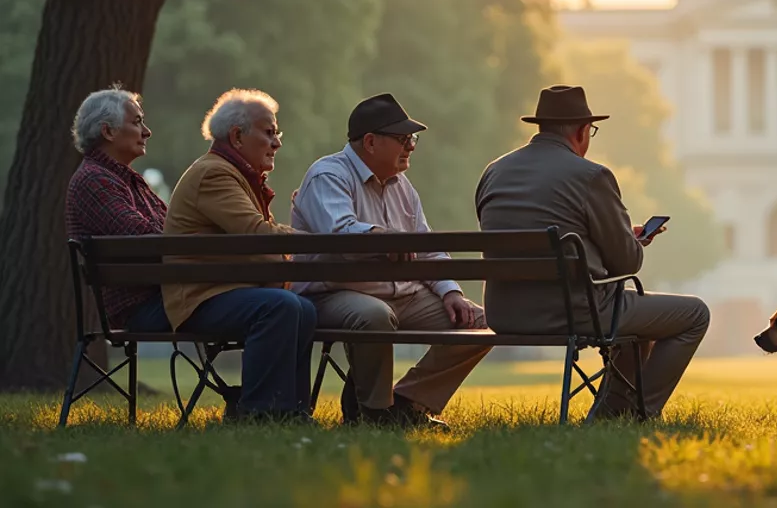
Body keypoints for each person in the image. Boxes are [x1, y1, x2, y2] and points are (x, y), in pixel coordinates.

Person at [475, 85, 709, 420]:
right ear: (583, 131)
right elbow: (628, 262)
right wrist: (633, 241)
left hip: (504, 312)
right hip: (573, 311)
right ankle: (640, 413)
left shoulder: (494, 172)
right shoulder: (591, 176)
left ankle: (613, 413)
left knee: (629, 317)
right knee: (695, 314)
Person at [291, 93, 490, 429]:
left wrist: (450, 291)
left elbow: (426, 245)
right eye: (403, 139)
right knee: (374, 316)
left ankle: (404, 403)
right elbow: (339, 233)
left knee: (479, 324)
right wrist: (380, 238)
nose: (411, 146)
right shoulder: (327, 175)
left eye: (411, 139)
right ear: (370, 142)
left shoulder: (402, 185)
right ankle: (375, 412)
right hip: (335, 292)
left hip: (401, 292)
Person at [163, 89, 316, 423]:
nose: (277, 143)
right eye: (269, 132)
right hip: (200, 296)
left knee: (302, 308)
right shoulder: (214, 174)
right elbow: (258, 235)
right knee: (282, 306)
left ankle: (292, 410)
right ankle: (260, 411)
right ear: (237, 136)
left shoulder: (238, 176)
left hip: (226, 289)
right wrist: (318, 242)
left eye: (277, 133)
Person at [65, 86, 170, 332]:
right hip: (145, 308)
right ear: (108, 131)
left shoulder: (125, 178)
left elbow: (170, 231)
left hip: (169, 297)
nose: (147, 132)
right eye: (137, 122)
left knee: (269, 299)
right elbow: (146, 239)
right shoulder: (93, 181)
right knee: (270, 306)